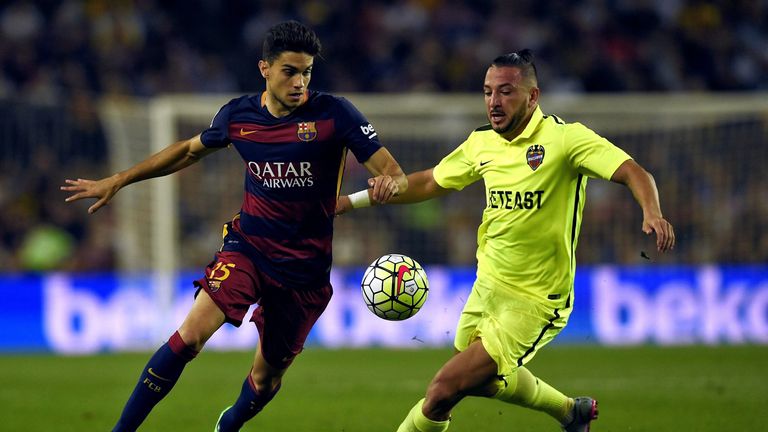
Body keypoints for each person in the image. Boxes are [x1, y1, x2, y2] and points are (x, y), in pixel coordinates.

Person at [61, 20, 407, 432]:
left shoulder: (335, 114)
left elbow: (393, 171)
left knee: (266, 379)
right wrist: (120, 179)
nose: (300, 82)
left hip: (304, 272)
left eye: (307, 72)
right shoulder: (238, 115)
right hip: (249, 249)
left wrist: (387, 183)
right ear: (265, 68)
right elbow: (188, 152)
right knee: (189, 335)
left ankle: (229, 424)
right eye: (290, 71)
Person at [338, 49, 675, 432]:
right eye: (487, 92)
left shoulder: (566, 140)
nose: (494, 103)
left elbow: (634, 171)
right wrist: (352, 202)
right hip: (488, 285)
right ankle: (570, 411)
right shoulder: (482, 143)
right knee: (479, 380)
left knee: (442, 391)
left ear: (533, 97)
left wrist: (652, 212)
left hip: (536, 298)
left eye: (506, 92)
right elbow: (432, 180)